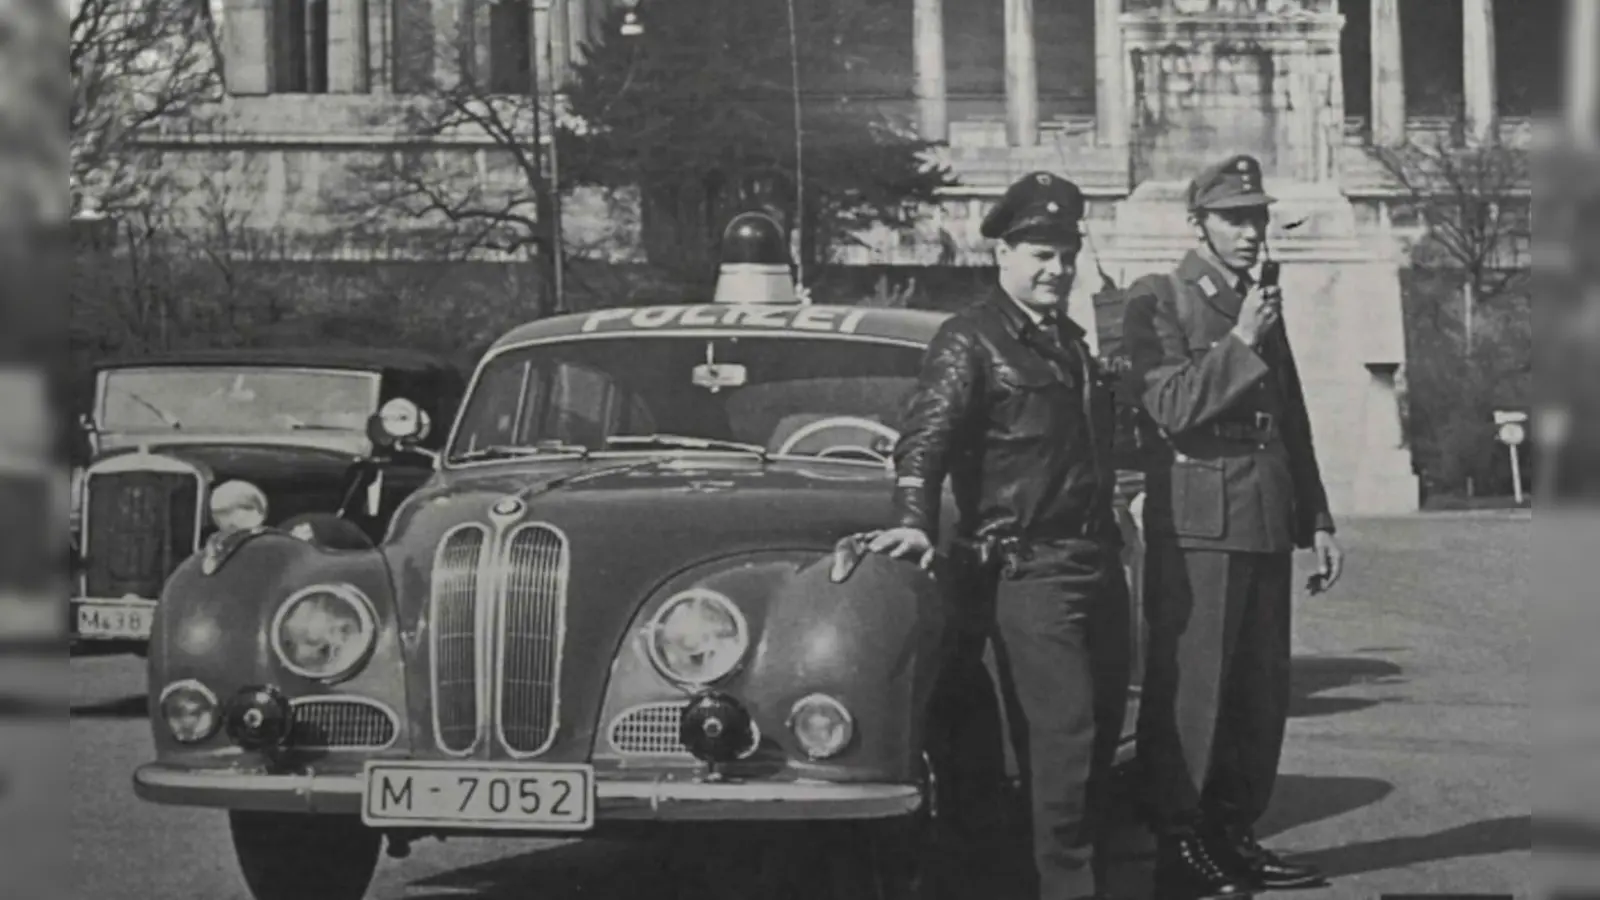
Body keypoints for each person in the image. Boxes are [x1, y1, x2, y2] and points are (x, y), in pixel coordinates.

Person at [871, 171, 1131, 900]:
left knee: (1099, 742)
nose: (1056, 269)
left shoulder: (1069, 342)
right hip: (1027, 570)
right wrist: (912, 522)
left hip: (1094, 562)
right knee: (1064, 749)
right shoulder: (971, 341)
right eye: (1039, 254)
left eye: (1065, 255)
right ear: (1003, 257)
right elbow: (924, 439)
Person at [1120, 153, 1346, 898]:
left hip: (1262, 511)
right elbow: (1173, 406)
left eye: (1257, 217)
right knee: (1196, 693)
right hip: (1200, 523)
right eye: (1234, 218)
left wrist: (1314, 516)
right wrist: (1242, 339)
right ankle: (1179, 842)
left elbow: (1291, 415)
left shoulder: (1260, 296)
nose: (1251, 233)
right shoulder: (1160, 298)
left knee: (1257, 692)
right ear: (1200, 223)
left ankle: (1232, 830)